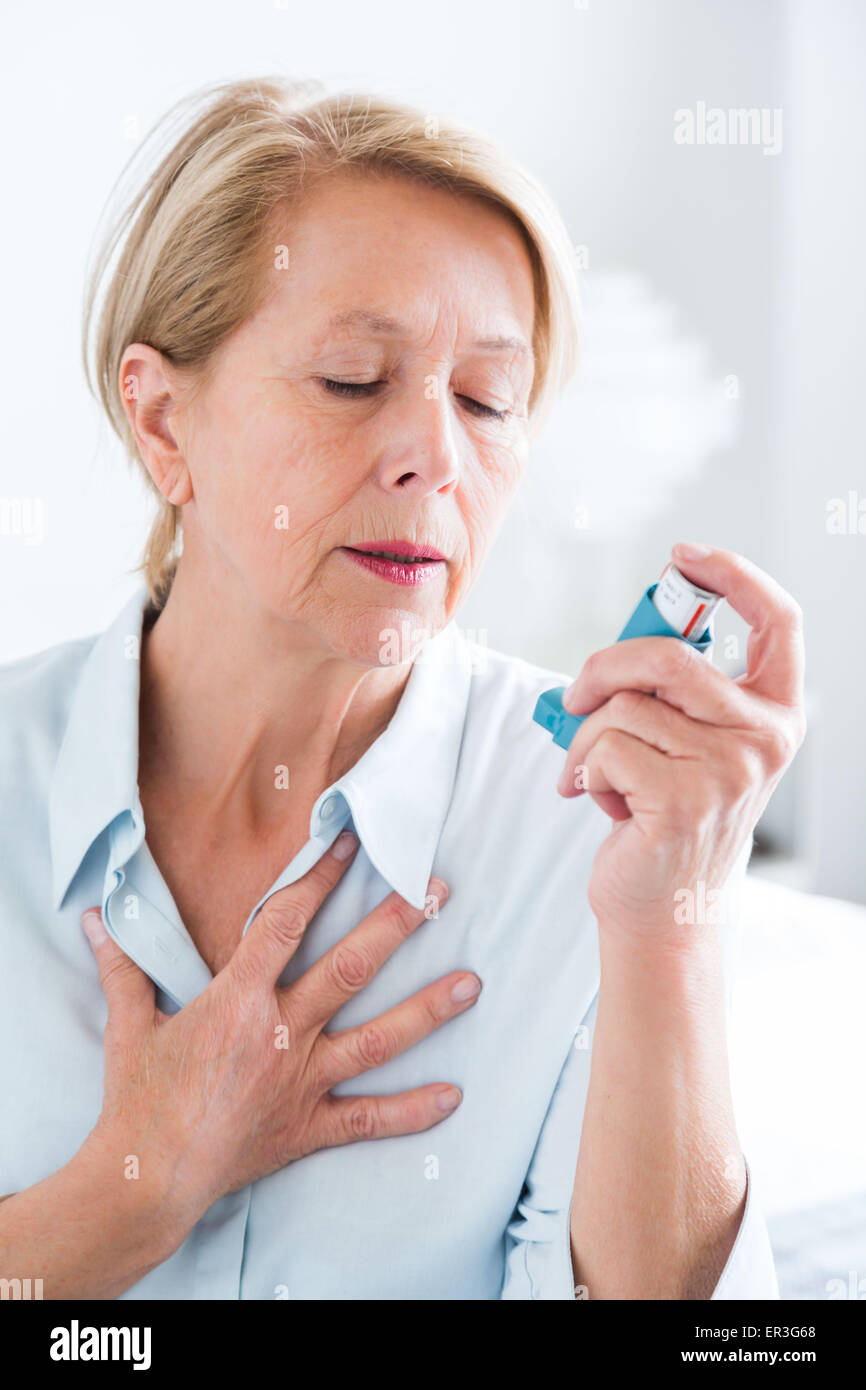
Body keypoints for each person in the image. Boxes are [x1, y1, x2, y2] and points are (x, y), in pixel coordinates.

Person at [0, 75, 805, 1300]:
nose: (437, 454)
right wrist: (135, 1191)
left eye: (487, 400)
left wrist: (668, 930)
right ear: (161, 421)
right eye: (351, 377)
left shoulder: (600, 824)